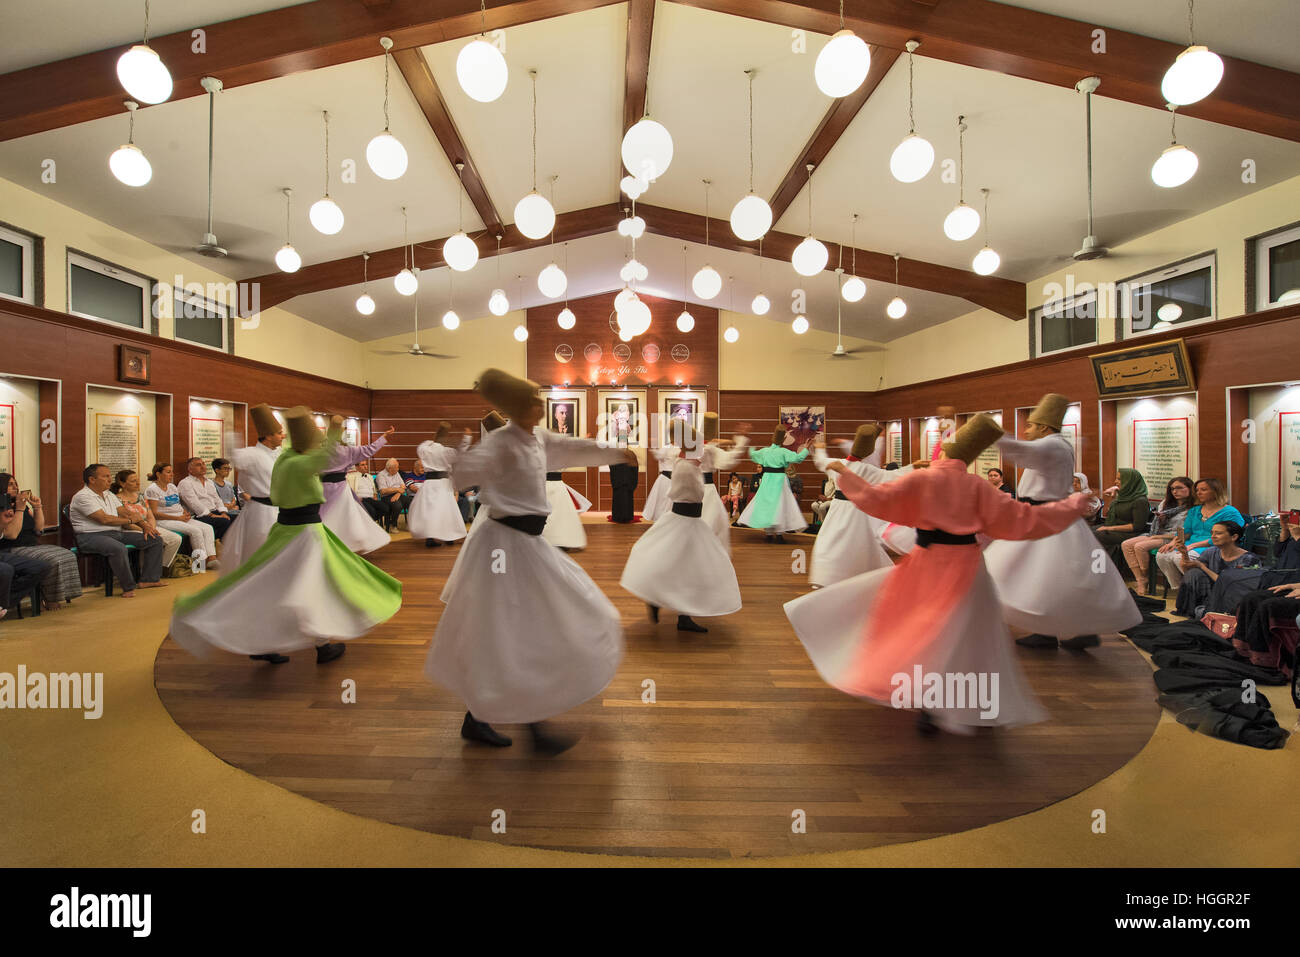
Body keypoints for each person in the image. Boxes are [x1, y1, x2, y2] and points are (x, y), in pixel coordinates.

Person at [784, 414, 1092, 734]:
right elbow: (1024, 520)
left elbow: (879, 500)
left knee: (921, 630)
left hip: (927, 565)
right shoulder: (978, 487)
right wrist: (1072, 506)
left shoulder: (925, 481)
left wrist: (846, 476)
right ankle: (964, 702)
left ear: (945, 452)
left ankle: (929, 701)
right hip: (969, 569)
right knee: (967, 637)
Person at [428, 369, 636, 755]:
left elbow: (575, 447)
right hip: (501, 548)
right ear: (517, 408)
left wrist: (616, 452)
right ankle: (529, 726)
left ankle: (482, 718)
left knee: (542, 619)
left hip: (528, 543)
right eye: (533, 402)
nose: (540, 406)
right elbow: (461, 477)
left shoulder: (538, 438)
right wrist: (459, 454)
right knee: (512, 629)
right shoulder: (500, 444)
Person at [169, 409, 402, 666]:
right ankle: (317, 644)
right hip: (304, 532)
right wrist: (335, 428)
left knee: (288, 584)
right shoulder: (296, 462)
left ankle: (309, 643)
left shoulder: (284, 458)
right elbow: (323, 458)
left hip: (286, 527)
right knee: (311, 586)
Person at [983, 393, 1141, 651]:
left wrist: (990, 431)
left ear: (1045, 427)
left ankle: (1057, 631)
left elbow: (1019, 451)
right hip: (1048, 518)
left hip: (1049, 520)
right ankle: (1074, 630)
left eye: (1031, 425)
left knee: (1045, 575)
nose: (1027, 429)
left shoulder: (1052, 445)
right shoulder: (1055, 446)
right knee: (1056, 577)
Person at [620, 419, 741, 634]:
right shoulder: (685, 462)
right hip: (683, 520)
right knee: (682, 563)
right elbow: (685, 490)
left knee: (687, 566)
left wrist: (734, 441)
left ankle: (679, 612)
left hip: (691, 520)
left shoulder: (689, 457)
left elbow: (710, 450)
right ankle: (666, 604)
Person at [809, 425, 914, 588]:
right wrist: (914, 467)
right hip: (857, 510)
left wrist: (820, 449)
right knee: (859, 543)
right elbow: (893, 476)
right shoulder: (869, 470)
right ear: (869, 451)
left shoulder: (837, 463)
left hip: (837, 509)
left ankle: (828, 574)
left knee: (830, 540)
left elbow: (820, 461)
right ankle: (856, 573)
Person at [70, 463, 166, 597]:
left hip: (115, 533)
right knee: (118, 548)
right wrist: (130, 521)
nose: (110, 479)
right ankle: (128, 587)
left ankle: (149, 580)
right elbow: (104, 519)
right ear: (92, 479)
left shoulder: (108, 494)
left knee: (155, 539)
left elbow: (125, 512)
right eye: (106, 476)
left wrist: (145, 527)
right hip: (90, 537)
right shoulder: (82, 497)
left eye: (110, 476)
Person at [0, 473, 83, 609]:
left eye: (15, 483)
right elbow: (11, 534)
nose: (15, 487)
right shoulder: (5, 507)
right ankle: (50, 599)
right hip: (12, 547)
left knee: (67, 555)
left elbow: (39, 528)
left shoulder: (23, 506)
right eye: (10, 484)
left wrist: (37, 507)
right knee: (52, 560)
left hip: (32, 544)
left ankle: (62, 596)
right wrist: (19, 509)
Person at [222, 405, 283, 573]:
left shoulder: (279, 454)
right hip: (260, 511)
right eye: (279, 433)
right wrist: (231, 435)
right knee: (260, 551)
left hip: (279, 509)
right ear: (268, 436)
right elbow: (235, 456)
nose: (282, 436)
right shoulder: (252, 454)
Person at [1154, 478, 1244, 590]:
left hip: (1216, 545)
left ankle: (1198, 587)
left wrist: (1194, 545)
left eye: (1203, 490)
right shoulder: (1195, 510)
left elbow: (1228, 535)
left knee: (1180, 557)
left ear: (1216, 491)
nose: (1198, 493)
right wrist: (1173, 542)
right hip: (1191, 543)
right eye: (1197, 490)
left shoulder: (1230, 512)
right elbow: (1186, 532)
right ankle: (1179, 588)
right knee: (1162, 555)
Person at [320, 425, 393, 554]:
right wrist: (384, 437)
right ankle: (349, 545)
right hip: (341, 490)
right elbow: (369, 450)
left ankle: (330, 546)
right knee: (347, 518)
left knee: (328, 518)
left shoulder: (319, 452)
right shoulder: (346, 451)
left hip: (324, 490)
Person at [1119, 475, 1193, 594]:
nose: (1175, 491)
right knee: (1126, 544)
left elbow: (1185, 532)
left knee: (1140, 546)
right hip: (1157, 533)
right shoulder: (1166, 502)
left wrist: (1158, 536)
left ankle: (1144, 575)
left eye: (1179, 488)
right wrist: (1161, 520)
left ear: (1190, 489)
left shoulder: (1192, 508)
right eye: (1172, 489)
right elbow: (1158, 524)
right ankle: (1140, 579)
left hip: (1173, 537)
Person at [737, 425, 810, 542]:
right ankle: (779, 534)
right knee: (780, 505)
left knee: (767, 505)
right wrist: (806, 448)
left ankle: (769, 533)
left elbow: (753, 455)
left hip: (767, 479)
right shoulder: (784, 451)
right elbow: (798, 458)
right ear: (783, 440)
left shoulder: (765, 451)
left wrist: (750, 446)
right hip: (780, 480)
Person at [1173, 520, 1260, 617]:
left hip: (1232, 597)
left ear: (1234, 537)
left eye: (1218, 533)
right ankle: (1190, 611)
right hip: (1212, 593)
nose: (1213, 536)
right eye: (1212, 533)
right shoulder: (1211, 551)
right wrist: (1184, 554)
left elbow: (1231, 586)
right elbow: (1187, 572)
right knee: (1193, 573)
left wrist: (1202, 567)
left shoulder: (1248, 559)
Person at [408, 422, 472, 547]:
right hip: (442, 483)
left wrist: (436, 437)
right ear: (444, 438)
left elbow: (421, 446)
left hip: (429, 483)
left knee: (430, 511)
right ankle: (449, 537)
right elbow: (460, 452)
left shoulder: (424, 448)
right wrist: (467, 438)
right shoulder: (445, 451)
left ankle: (430, 538)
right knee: (446, 510)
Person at [145, 463, 218, 569]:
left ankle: (212, 558)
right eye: (168, 472)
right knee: (195, 531)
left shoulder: (172, 486)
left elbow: (177, 504)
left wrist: (184, 512)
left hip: (180, 517)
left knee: (207, 528)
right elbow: (154, 514)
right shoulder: (152, 489)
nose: (172, 475)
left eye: (172, 472)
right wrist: (177, 518)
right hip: (165, 520)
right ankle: (201, 563)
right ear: (158, 474)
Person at [696, 413, 750, 552]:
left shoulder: (694, 446)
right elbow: (729, 459)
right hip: (703, 488)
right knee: (709, 522)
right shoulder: (708, 448)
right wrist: (739, 440)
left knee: (705, 521)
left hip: (697, 487)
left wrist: (733, 441)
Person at [111, 469, 184, 570]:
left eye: (138, 480)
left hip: (148, 526)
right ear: (122, 484)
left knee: (175, 539)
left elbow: (150, 516)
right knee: (150, 539)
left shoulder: (140, 496)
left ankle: (162, 567)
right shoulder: (116, 499)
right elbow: (125, 523)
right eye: (133, 481)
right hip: (131, 529)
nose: (138, 483)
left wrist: (152, 528)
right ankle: (146, 571)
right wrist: (144, 529)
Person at [1092, 468, 1151, 570]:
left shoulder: (1140, 501)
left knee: (1097, 535)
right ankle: (1087, 568)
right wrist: (1114, 495)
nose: (1115, 482)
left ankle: (1101, 570)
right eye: (1116, 478)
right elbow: (1111, 514)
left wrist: (1110, 528)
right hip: (1114, 526)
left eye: (1119, 479)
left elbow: (1137, 526)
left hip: (1130, 532)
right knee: (1085, 531)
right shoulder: (1123, 495)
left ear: (1129, 481)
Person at [177, 457, 234, 541]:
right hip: (199, 515)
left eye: (203, 464)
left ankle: (226, 545)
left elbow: (217, 499)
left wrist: (223, 512)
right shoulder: (185, 483)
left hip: (214, 511)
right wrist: (212, 515)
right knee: (224, 521)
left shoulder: (209, 482)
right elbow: (194, 504)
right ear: (190, 469)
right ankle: (216, 544)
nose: (203, 467)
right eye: (198, 465)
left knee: (237, 519)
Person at [541, 466, 593, 550]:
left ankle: (553, 540)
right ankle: (559, 540)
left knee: (559, 514)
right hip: (553, 485)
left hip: (549, 484)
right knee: (561, 514)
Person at [641, 436, 682, 522]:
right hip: (666, 478)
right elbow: (658, 455)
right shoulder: (668, 448)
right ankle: (661, 519)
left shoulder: (679, 449)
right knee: (663, 500)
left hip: (675, 478)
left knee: (670, 501)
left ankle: (670, 519)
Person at [374, 458, 409, 531]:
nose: (398, 469)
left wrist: (398, 493)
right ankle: (392, 525)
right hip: (386, 497)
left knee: (411, 501)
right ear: (389, 468)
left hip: (398, 494)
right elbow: (383, 491)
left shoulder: (396, 473)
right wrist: (397, 489)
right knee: (397, 505)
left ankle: (410, 523)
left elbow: (403, 486)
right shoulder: (381, 475)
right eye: (396, 467)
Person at [347, 460, 385, 525]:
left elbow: (374, 491)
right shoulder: (351, 477)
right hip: (360, 500)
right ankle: (371, 525)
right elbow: (349, 491)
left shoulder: (369, 476)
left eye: (366, 464)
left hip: (371, 499)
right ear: (357, 467)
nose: (365, 466)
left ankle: (369, 522)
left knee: (385, 508)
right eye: (363, 465)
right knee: (372, 510)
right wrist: (356, 498)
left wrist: (375, 496)